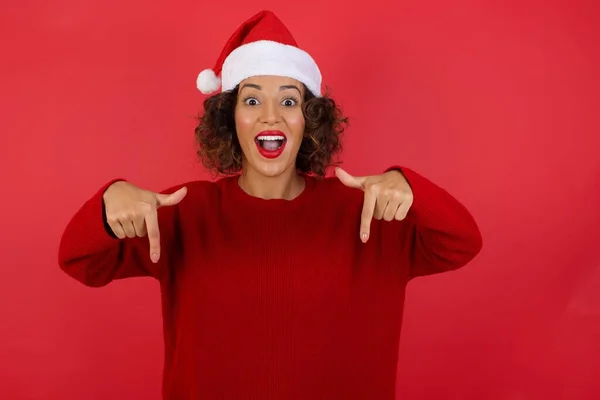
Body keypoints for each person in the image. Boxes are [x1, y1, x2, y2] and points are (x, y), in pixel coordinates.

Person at [58, 9, 482, 400]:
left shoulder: (367, 213)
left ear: (309, 119)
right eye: (252, 100)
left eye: (289, 101)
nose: (271, 117)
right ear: (230, 119)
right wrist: (109, 202)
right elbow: (80, 261)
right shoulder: (183, 211)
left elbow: (461, 242)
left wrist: (409, 187)